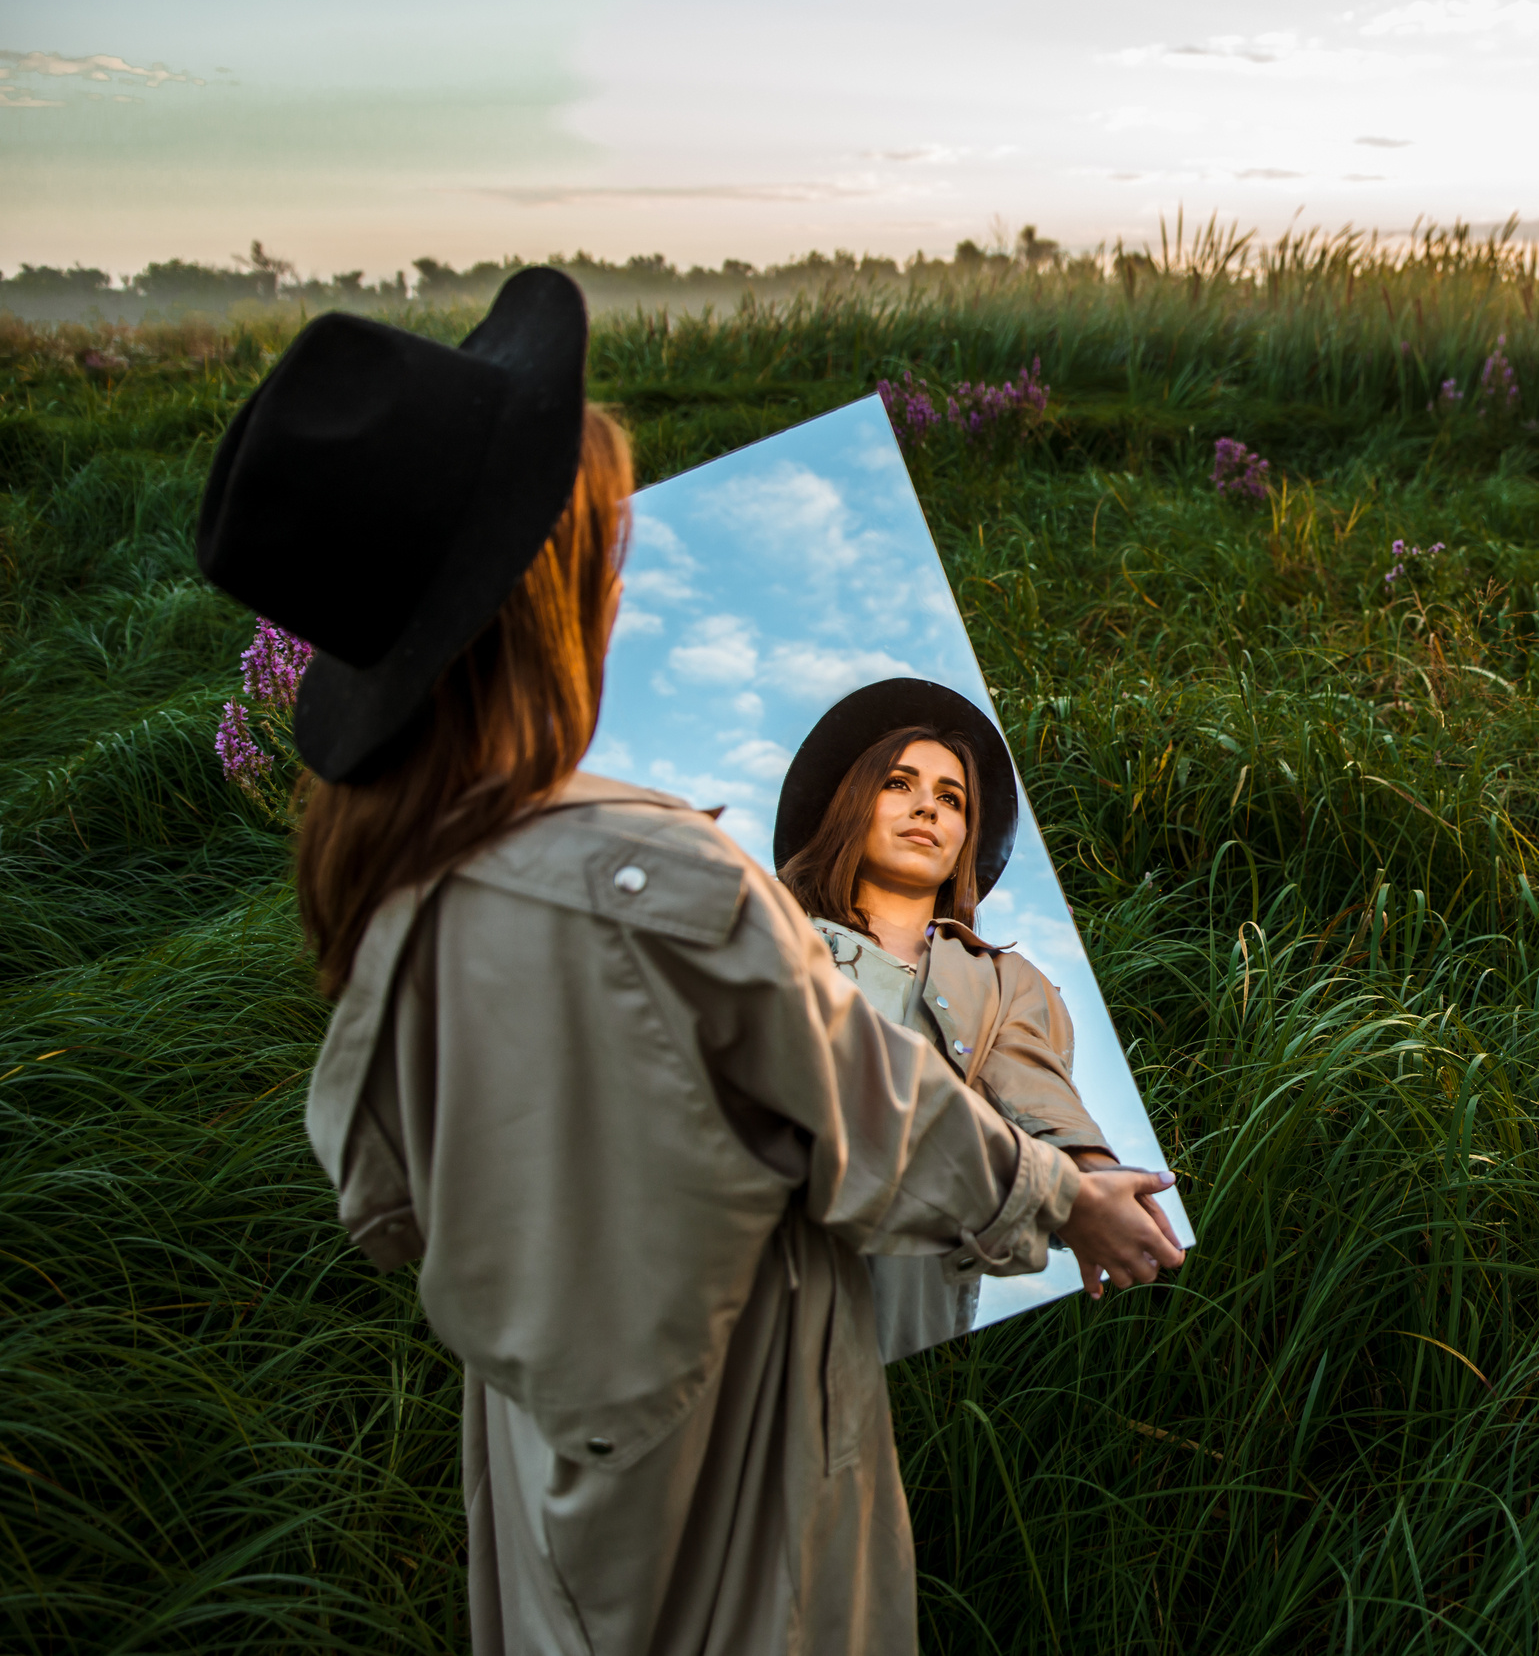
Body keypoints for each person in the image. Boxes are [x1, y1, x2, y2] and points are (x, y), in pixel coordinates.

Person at [193, 268, 1186, 1654]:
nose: (618, 572)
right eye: (594, 545)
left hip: (559, 1510)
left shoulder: (400, 910)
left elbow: (385, 1206)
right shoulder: (657, 882)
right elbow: (874, 1120)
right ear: (539, 602)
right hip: (745, 1518)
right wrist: (1068, 1203)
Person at [773, 679, 1177, 1359]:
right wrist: (1057, 1196)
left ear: (965, 834)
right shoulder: (770, 941)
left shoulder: (1006, 981)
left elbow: (1032, 1084)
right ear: (850, 804)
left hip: (911, 1319)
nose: (927, 805)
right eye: (899, 784)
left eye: (951, 797)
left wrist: (1096, 1179)